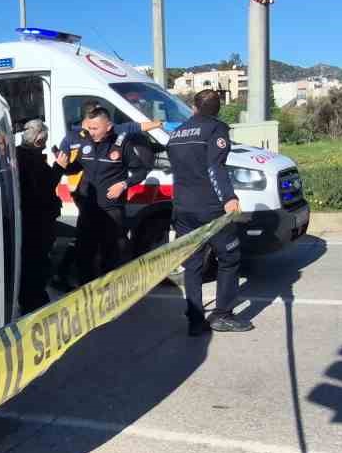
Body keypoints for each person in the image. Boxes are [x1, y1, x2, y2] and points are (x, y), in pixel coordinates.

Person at [166, 89, 253, 335]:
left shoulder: (177, 133)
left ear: (194, 107)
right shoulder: (216, 129)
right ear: (218, 109)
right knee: (229, 257)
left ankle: (195, 320)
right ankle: (222, 315)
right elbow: (215, 166)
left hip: (182, 208)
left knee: (192, 264)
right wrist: (229, 197)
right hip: (210, 208)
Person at [57, 105, 148, 284]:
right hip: (88, 207)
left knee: (111, 255)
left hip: (111, 210)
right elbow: (76, 168)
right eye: (88, 128)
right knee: (84, 254)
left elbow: (140, 172)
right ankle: (85, 291)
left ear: (108, 127)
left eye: (94, 128)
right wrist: (64, 166)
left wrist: (123, 184)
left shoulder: (122, 145)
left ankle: (109, 293)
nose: (89, 132)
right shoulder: (83, 142)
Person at [14, 120, 64, 311]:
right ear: (39, 139)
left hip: (32, 220)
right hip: (36, 222)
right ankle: (33, 302)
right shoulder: (29, 159)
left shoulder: (21, 154)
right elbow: (42, 189)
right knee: (35, 263)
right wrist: (59, 167)